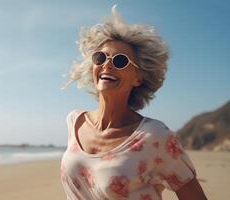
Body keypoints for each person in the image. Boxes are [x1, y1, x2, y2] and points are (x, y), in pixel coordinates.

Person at [60, 5, 207, 200]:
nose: (107, 65)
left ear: (138, 77)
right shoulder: (74, 121)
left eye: (120, 61)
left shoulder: (155, 136)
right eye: (100, 57)